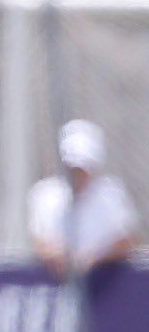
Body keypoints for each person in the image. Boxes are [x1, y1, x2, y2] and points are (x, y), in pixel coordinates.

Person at [28, 119, 138, 289]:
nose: (77, 176)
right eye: (72, 169)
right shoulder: (45, 194)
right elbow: (40, 240)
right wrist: (57, 254)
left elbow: (126, 242)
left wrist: (93, 256)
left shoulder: (111, 195)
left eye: (82, 169)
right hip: (59, 288)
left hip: (105, 289)